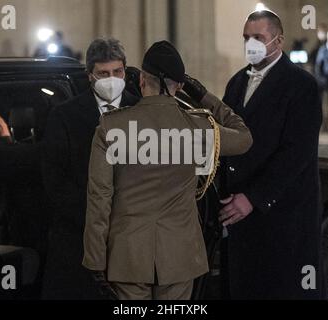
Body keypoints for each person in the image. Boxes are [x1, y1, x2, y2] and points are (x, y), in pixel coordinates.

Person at [82, 40, 253, 300]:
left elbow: (99, 198)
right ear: (181, 86)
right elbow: (244, 137)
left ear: (141, 81)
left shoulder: (110, 127)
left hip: (128, 255)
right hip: (179, 256)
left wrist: (95, 260)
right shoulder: (199, 128)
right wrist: (203, 95)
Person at [221, 10, 322, 299]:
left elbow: (296, 153)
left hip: (282, 216)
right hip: (240, 216)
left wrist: (254, 197)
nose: (250, 44)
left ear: (278, 41)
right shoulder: (237, 83)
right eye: (246, 38)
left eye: (258, 38)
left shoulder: (301, 86)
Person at [41, 37, 140, 299]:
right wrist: (98, 217)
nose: (111, 79)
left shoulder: (142, 111)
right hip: (78, 237)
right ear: (90, 76)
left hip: (132, 239)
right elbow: (54, 180)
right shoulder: (65, 115)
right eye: (103, 73)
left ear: (125, 71)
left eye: (117, 72)